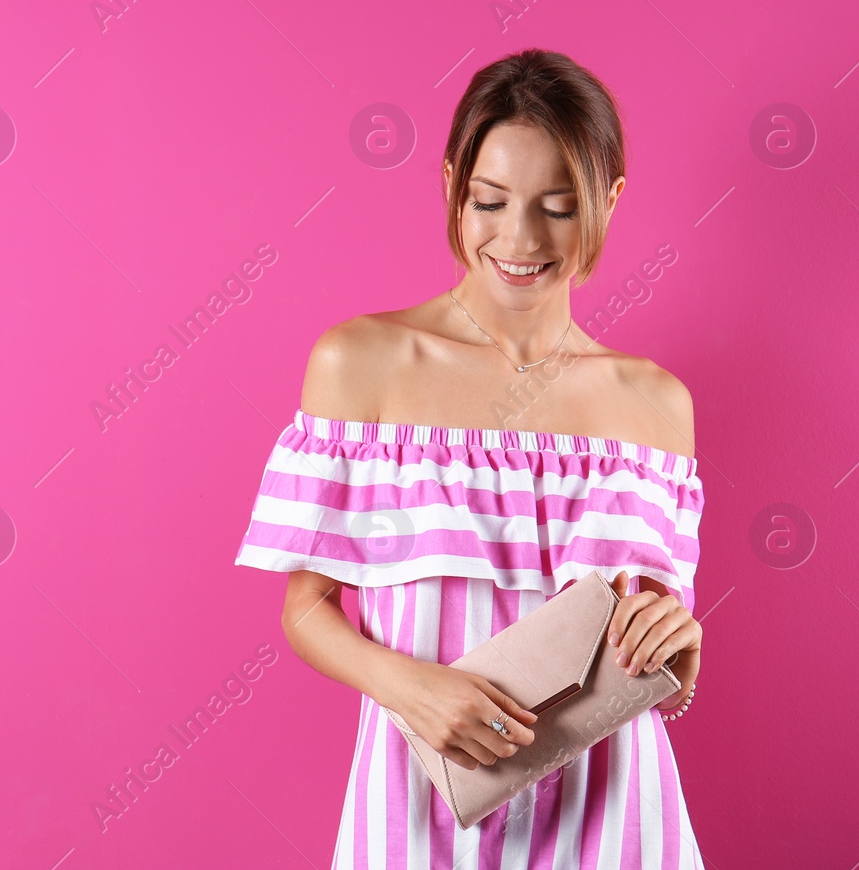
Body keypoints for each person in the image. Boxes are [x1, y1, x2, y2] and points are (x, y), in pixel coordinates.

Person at [233, 48, 706, 868]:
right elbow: (305, 607)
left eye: (559, 208)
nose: (519, 240)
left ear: (610, 199)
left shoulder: (656, 406)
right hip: (417, 812)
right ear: (452, 182)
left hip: (616, 822)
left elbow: (647, 654)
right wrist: (409, 688)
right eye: (489, 201)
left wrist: (681, 656)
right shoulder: (362, 363)